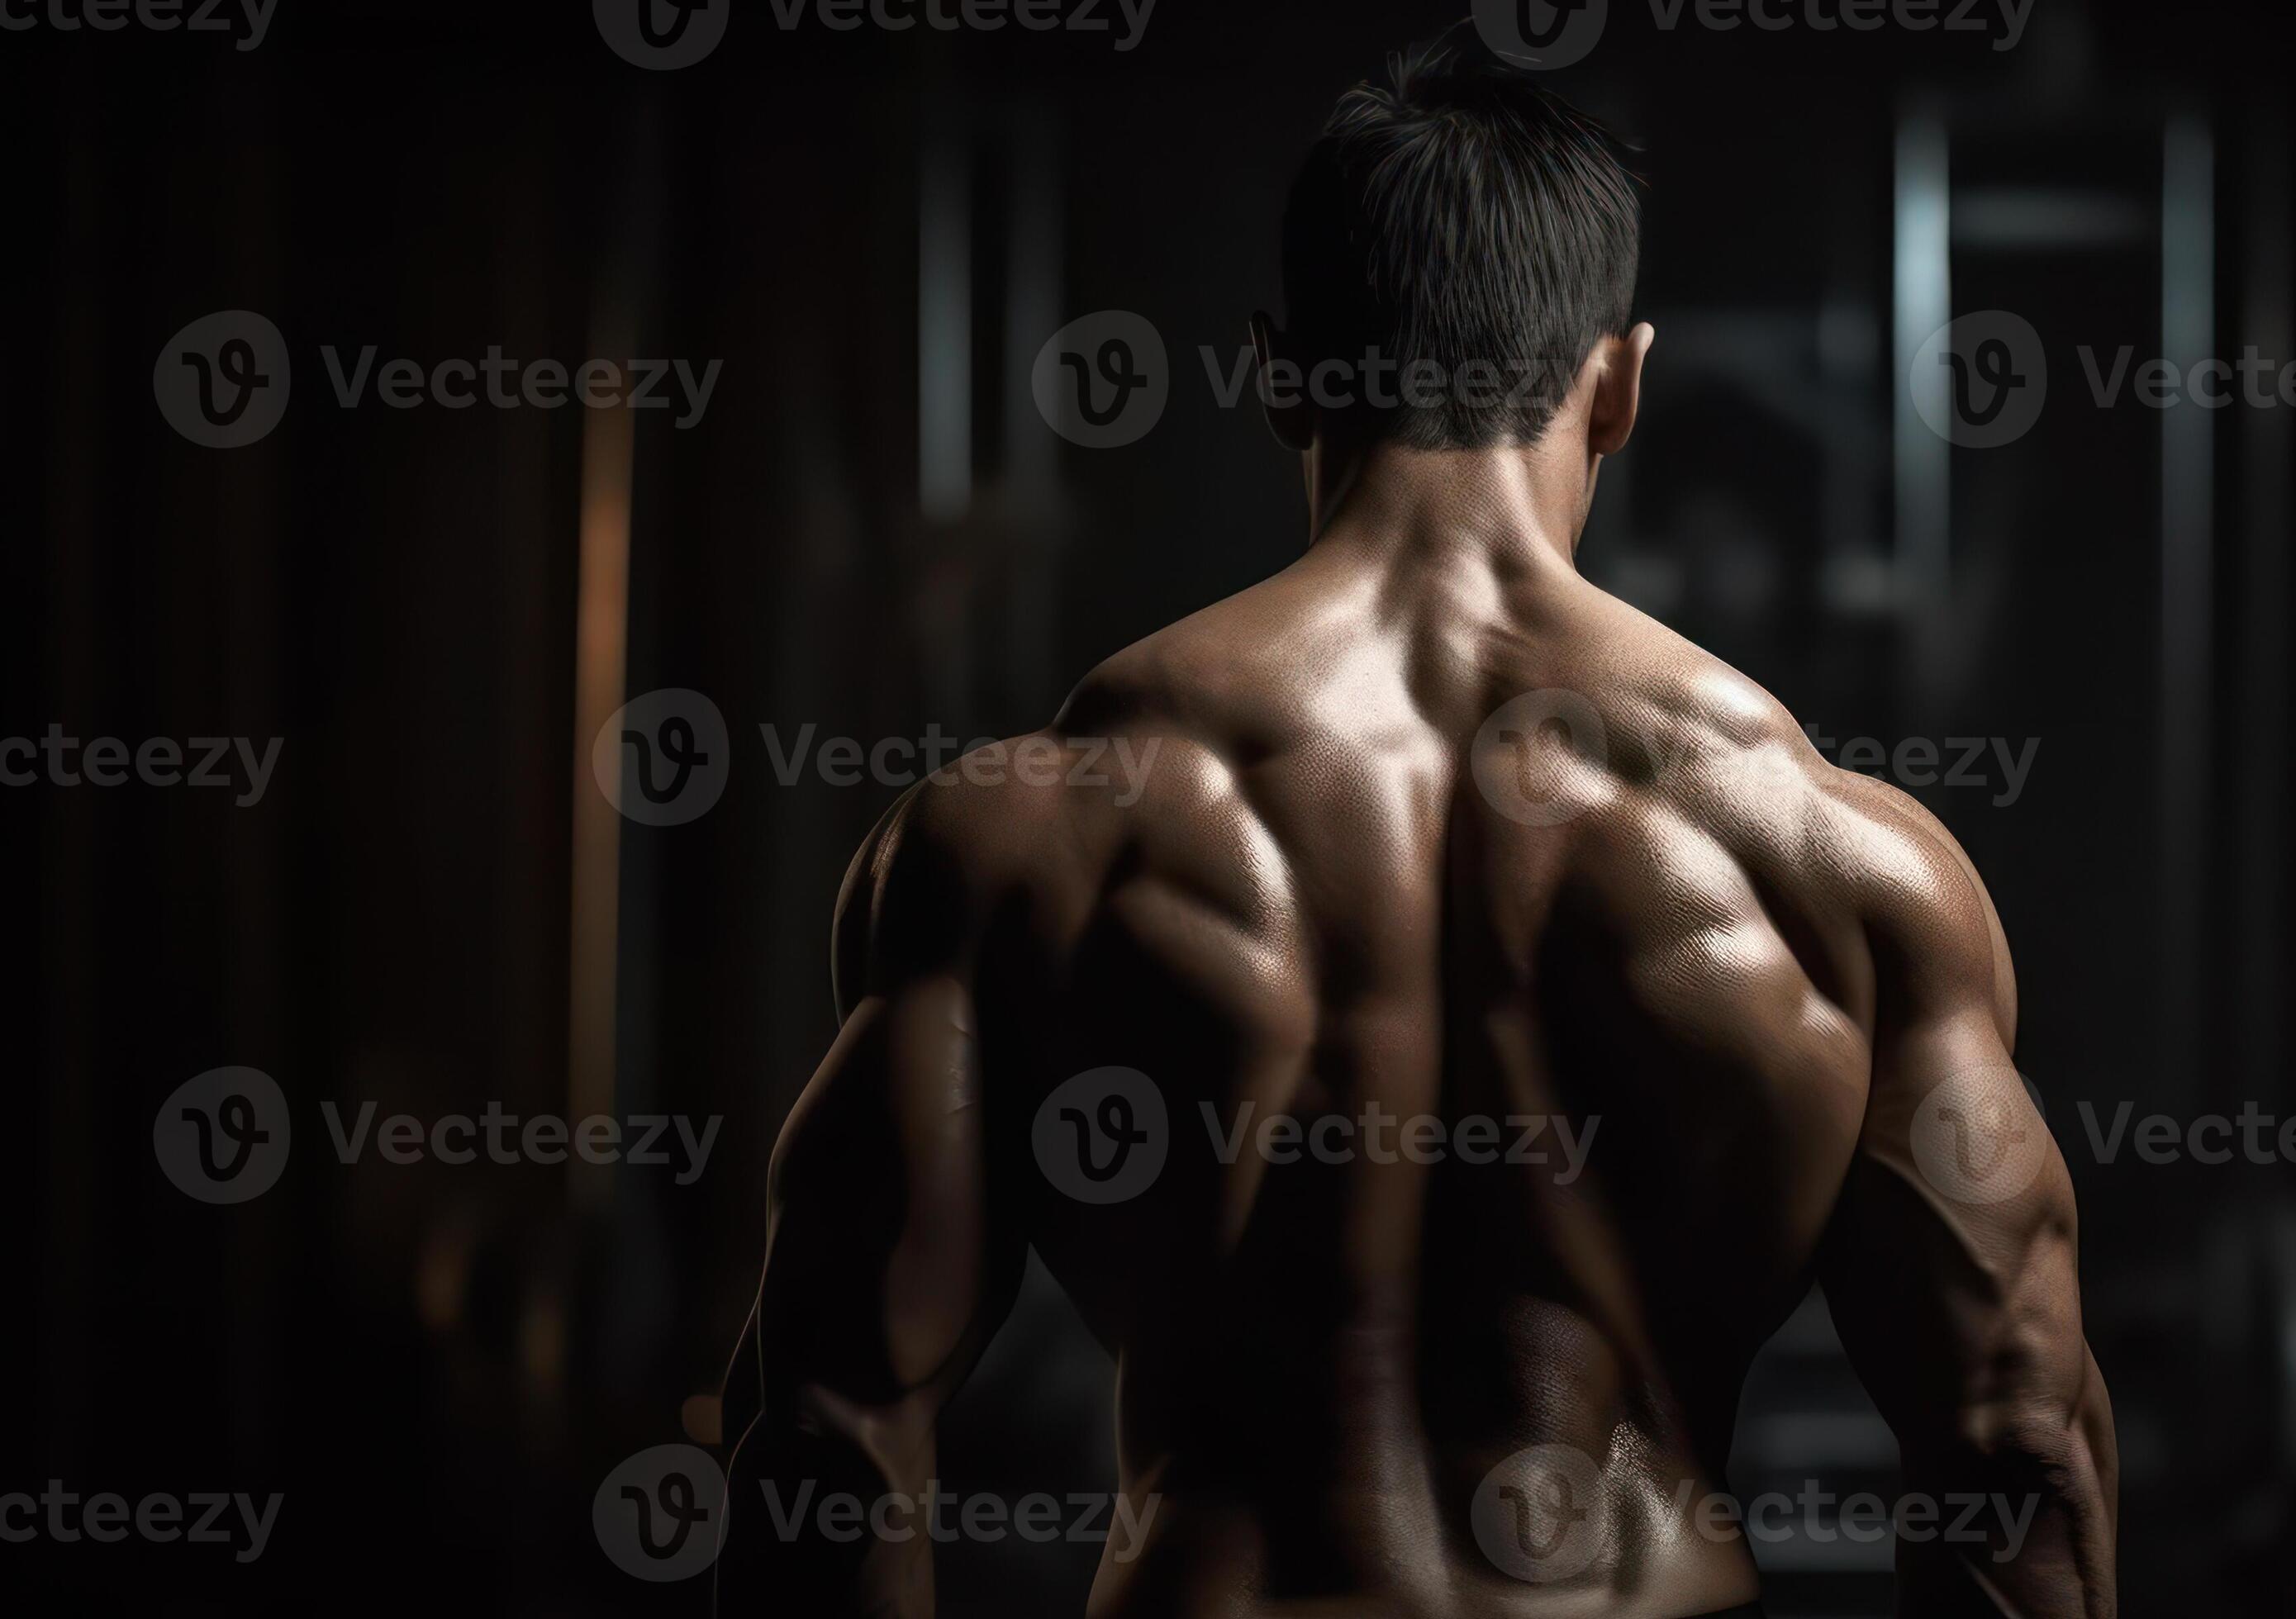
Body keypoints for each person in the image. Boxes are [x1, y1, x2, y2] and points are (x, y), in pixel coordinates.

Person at [718, 40, 2114, 1619]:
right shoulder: (1840, 869)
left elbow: (831, 1430)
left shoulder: (1024, 838)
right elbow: (2017, 1446)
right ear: (1622, 383)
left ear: (1277, 370)